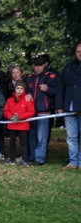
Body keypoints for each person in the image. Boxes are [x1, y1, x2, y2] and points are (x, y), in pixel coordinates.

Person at [26, 56, 58, 166]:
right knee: (32, 136)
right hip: (31, 111)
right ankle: (33, 157)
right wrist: (28, 93)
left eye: (40, 66)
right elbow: (26, 89)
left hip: (44, 110)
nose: (37, 68)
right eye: (36, 66)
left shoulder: (51, 76)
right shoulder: (30, 76)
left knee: (42, 136)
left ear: (44, 65)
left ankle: (39, 158)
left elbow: (57, 91)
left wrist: (47, 89)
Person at [56, 41, 81, 170]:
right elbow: (61, 88)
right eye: (78, 51)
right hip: (69, 108)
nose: (80, 54)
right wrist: (59, 106)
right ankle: (73, 161)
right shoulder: (68, 67)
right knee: (71, 137)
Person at [3, 81, 35, 166]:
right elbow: (6, 111)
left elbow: (31, 112)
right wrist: (10, 117)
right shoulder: (10, 100)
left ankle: (25, 159)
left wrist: (20, 117)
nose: (19, 90)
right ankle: (11, 158)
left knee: (23, 142)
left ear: (24, 89)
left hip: (23, 125)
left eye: (21, 88)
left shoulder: (27, 100)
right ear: (15, 89)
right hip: (12, 124)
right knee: (12, 142)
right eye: (17, 88)